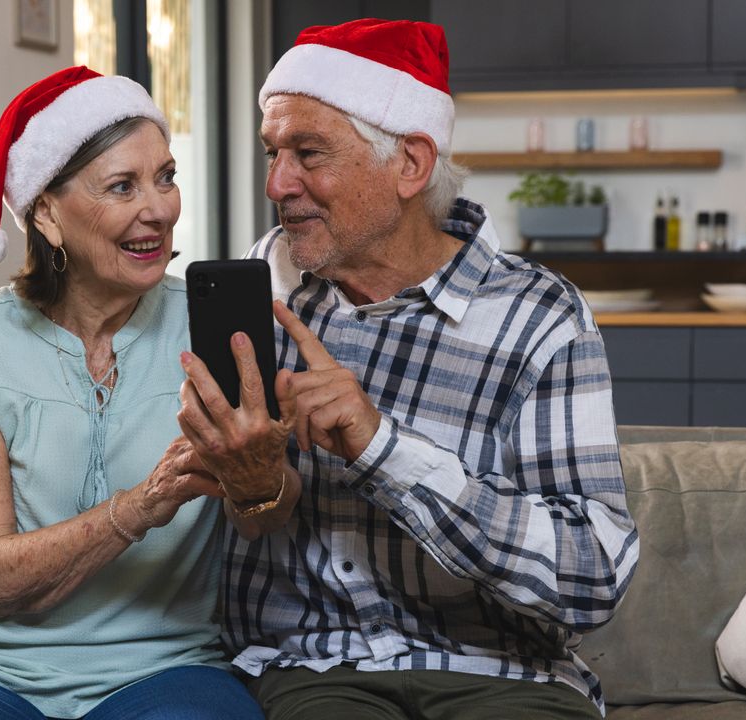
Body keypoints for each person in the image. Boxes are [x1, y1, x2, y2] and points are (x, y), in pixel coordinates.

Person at [176, 19, 639, 719]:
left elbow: (593, 576)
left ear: (411, 165)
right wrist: (251, 480)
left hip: (505, 672)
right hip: (317, 666)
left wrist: (380, 447)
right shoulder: (262, 287)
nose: (277, 182)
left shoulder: (539, 316)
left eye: (308, 153)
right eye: (274, 152)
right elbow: (255, 515)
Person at [0, 67, 263, 720]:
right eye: (122, 186)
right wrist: (140, 506)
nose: (158, 208)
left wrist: (261, 473)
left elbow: (266, 516)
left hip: (164, 666)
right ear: (46, 212)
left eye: (165, 176)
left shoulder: (216, 330)